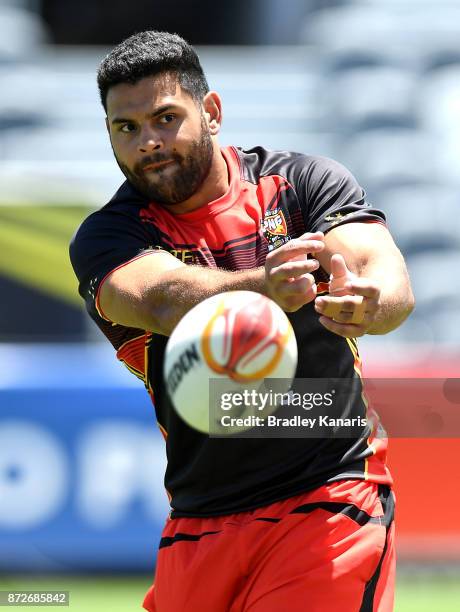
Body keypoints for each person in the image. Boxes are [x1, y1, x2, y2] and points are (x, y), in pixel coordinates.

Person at [69, 31, 414, 612]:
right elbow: (157, 300)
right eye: (126, 129)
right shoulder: (110, 235)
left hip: (329, 502)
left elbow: (384, 273)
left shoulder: (302, 184)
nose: (148, 142)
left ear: (212, 111)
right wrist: (264, 289)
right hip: (197, 524)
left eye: (165, 118)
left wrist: (372, 298)